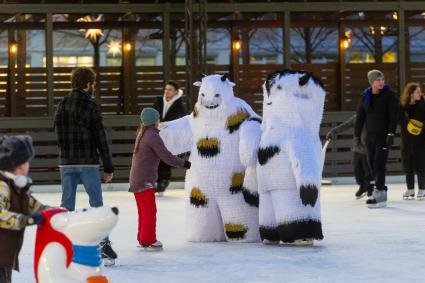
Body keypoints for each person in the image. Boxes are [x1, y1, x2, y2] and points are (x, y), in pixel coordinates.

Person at [53, 67, 117, 264]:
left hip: (66, 162)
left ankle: (63, 245)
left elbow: (58, 132)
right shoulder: (91, 106)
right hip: (88, 162)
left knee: (66, 206)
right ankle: (103, 245)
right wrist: (108, 167)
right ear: (88, 84)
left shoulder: (61, 105)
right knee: (97, 205)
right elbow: (101, 138)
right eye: (93, 83)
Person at [129, 108, 191, 250]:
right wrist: (184, 163)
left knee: (143, 211)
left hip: (137, 178)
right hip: (144, 180)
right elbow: (166, 156)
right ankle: (149, 239)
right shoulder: (152, 136)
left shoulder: (143, 133)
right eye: (158, 119)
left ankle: (143, 238)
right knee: (149, 211)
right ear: (154, 121)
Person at [0, 136, 47, 283]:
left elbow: (31, 204)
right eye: (26, 161)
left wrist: (52, 211)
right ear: (19, 165)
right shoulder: (3, 185)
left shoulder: (18, 185)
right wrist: (27, 220)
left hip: (5, 253)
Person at [354, 70, 399, 208]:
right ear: (372, 82)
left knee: (379, 163)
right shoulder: (365, 96)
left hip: (384, 136)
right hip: (369, 137)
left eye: (382, 79)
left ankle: (379, 191)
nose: (381, 82)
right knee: (371, 164)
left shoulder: (389, 95)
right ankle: (382, 190)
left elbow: (394, 116)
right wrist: (357, 136)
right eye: (378, 80)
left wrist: (391, 134)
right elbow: (360, 117)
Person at [326, 114, 373, 199]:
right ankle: (362, 186)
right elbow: (345, 125)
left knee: (368, 171)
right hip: (357, 148)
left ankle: (370, 189)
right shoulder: (357, 117)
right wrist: (333, 131)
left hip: (368, 149)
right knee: (357, 170)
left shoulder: (372, 117)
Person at [153, 81, 187, 195]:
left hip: (171, 137)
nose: (166, 91)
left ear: (176, 92)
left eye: (170, 89)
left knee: (165, 159)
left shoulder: (180, 106)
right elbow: (152, 114)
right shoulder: (158, 101)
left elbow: (180, 121)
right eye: (166, 89)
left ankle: (163, 181)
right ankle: (158, 181)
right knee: (155, 158)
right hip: (157, 135)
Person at [399, 83, 425, 200]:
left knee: (421, 165)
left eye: (420, 91)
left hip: (421, 140)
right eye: (418, 92)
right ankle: (410, 189)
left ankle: (422, 189)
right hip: (406, 141)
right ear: (411, 94)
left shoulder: (423, 105)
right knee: (407, 164)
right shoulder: (403, 108)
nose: (421, 93)